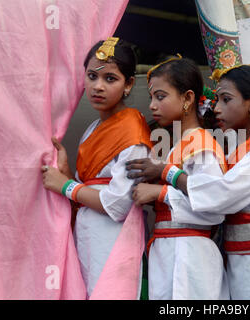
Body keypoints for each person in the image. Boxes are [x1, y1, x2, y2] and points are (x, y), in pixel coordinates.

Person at [127, 64, 250, 300]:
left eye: (226, 100)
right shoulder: (237, 152)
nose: (217, 108)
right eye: (217, 100)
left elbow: (222, 195)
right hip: (241, 259)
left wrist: (165, 175)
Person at [41, 37, 152, 298]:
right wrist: (67, 172)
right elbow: (83, 192)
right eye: (92, 76)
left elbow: (118, 204)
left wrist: (66, 185)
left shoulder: (133, 131)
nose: (98, 86)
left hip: (112, 238)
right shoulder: (92, 129)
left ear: (129, 84)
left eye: (110, 79)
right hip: (88, 234)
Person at [127, 55, 229, 300]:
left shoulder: (202, 144)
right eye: (152, 97)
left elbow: (214, 205)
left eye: (160, 97)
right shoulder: (177, 146)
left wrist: (159, 193)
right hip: (170, 249)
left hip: (190, 253)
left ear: (187, 98)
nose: (152, 105)